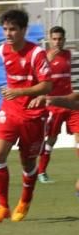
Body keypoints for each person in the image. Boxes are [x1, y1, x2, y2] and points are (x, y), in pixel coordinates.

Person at [0, 8, 52, 223]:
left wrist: (21, 92)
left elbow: (47, 84)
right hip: (10, 109)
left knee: (27, 163)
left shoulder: (36, 54)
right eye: (5, 29)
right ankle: (3, 206)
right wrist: (13, 95)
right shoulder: (3, 50)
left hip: (33, 114)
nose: (8, 34)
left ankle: (25, 200)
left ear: (24, 30)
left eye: (13, 29)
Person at [36, 26, 78, 183]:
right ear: (49, 40)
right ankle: (41, 172)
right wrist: (47, 60)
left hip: (71, 103)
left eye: (60, 39)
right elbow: (37, 78)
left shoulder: (68, 54)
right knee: (52, 139)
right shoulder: (44, 57)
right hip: (53, 104)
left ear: (64, 40)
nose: (57, 42)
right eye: (54, 39)